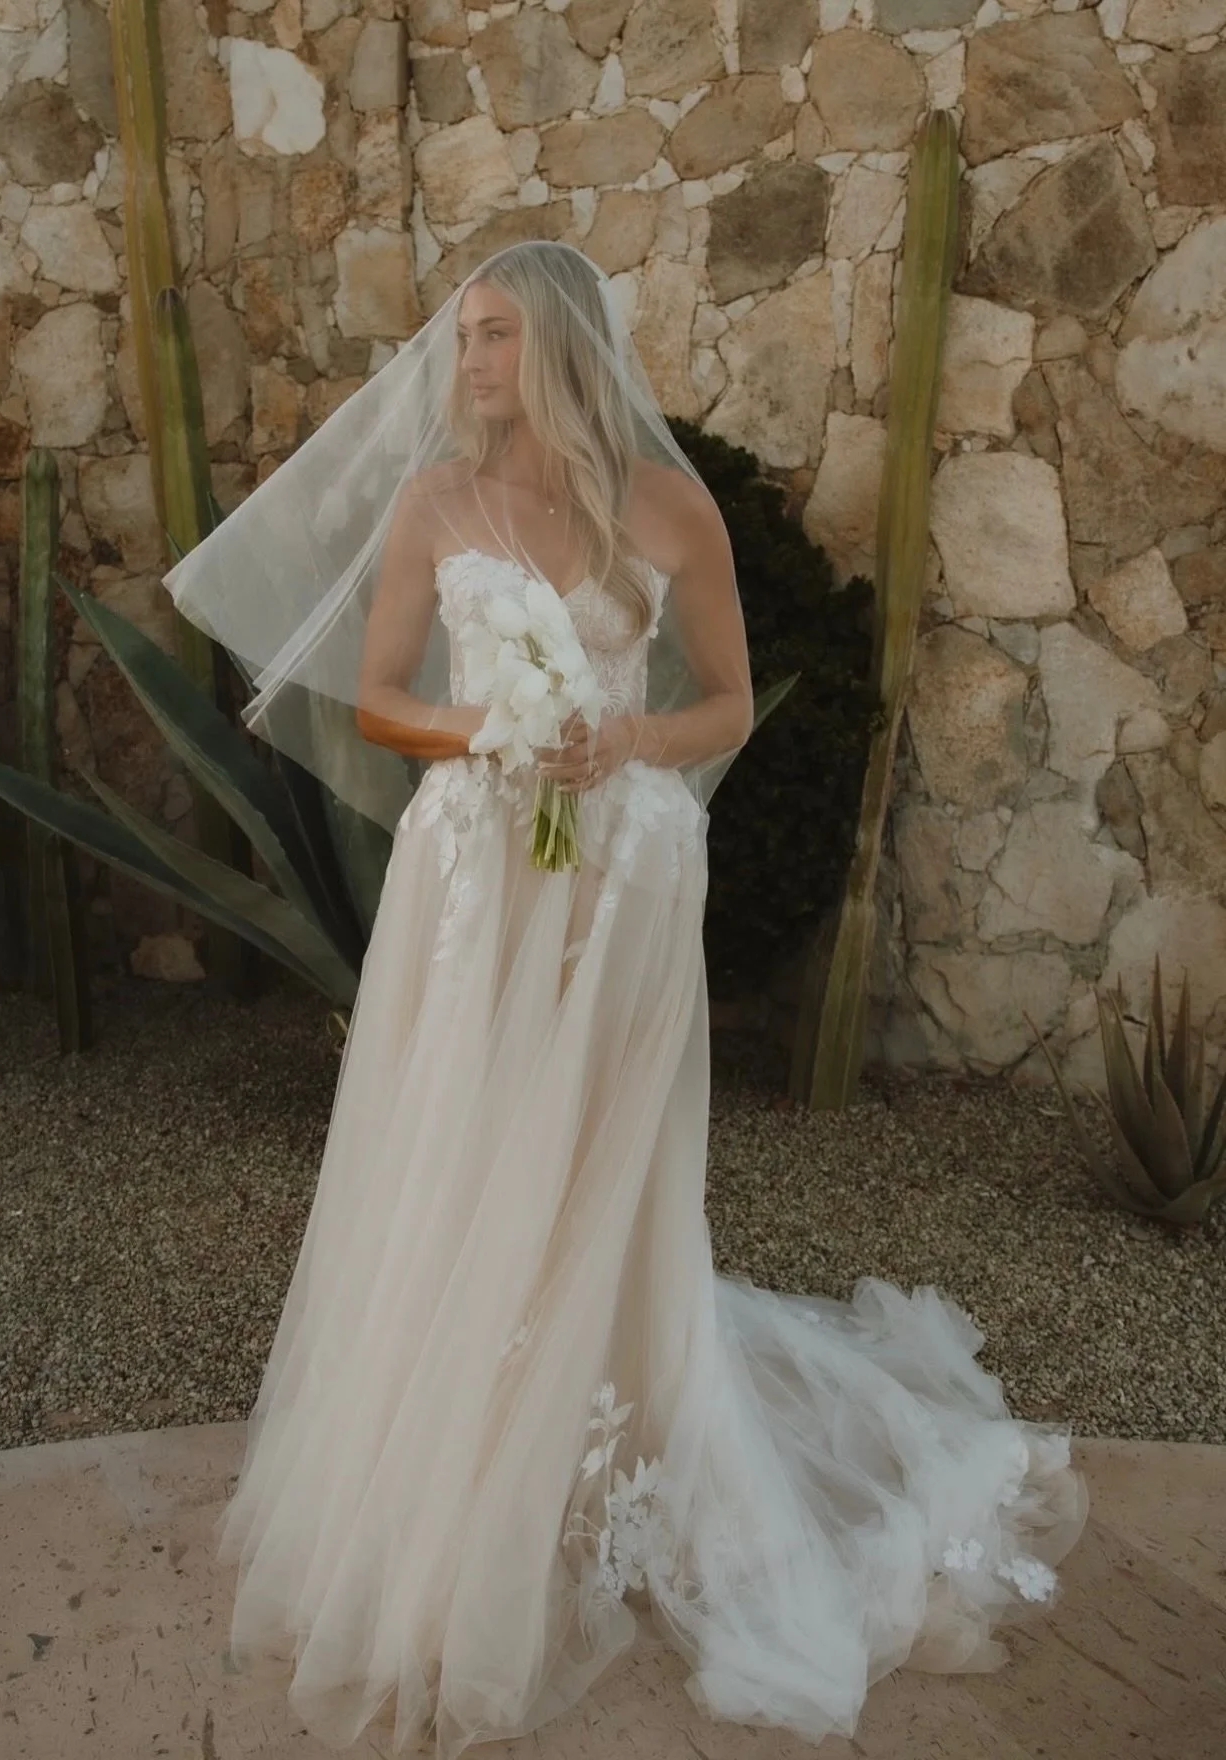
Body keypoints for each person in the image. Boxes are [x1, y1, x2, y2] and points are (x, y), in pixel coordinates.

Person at [161, 241, 1086, 1758]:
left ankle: (602, 1442)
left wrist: (625, 741)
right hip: (473, 879)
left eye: (497, 337)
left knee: (599, 1164)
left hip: (626, 876)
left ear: (566, 345)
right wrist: (485, 724)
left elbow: (725, 701)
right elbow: (377, 689)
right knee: (463, 1152)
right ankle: (461, 1459)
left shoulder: (669, 508)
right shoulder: (433, 501)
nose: (470, 367)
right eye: (462, 340)